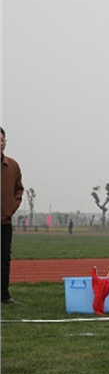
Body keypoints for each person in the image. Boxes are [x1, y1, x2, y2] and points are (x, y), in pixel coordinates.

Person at [1, 127, 24, 305]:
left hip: (4, 221)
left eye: (3, 140)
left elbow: (19, 189)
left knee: (3, 259)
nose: (1, 143)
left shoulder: (13, 166)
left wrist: (11, 207)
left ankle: (3, 294)